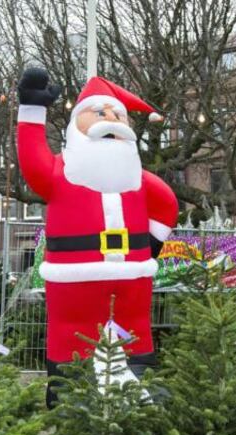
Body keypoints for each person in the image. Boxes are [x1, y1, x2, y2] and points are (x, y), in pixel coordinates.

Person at [16, 68, 179, 407]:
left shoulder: (136, 176)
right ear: (77, 124)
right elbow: (32, 161)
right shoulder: (60, 172)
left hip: (132, 278)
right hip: (75, 278)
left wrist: (150, 248)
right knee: (71, 330)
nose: (112, 119)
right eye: (101, 112)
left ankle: (139, 379)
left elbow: (167, 204)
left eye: (118, 114)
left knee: (134, 328)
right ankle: (67, 389)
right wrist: (32, 108)